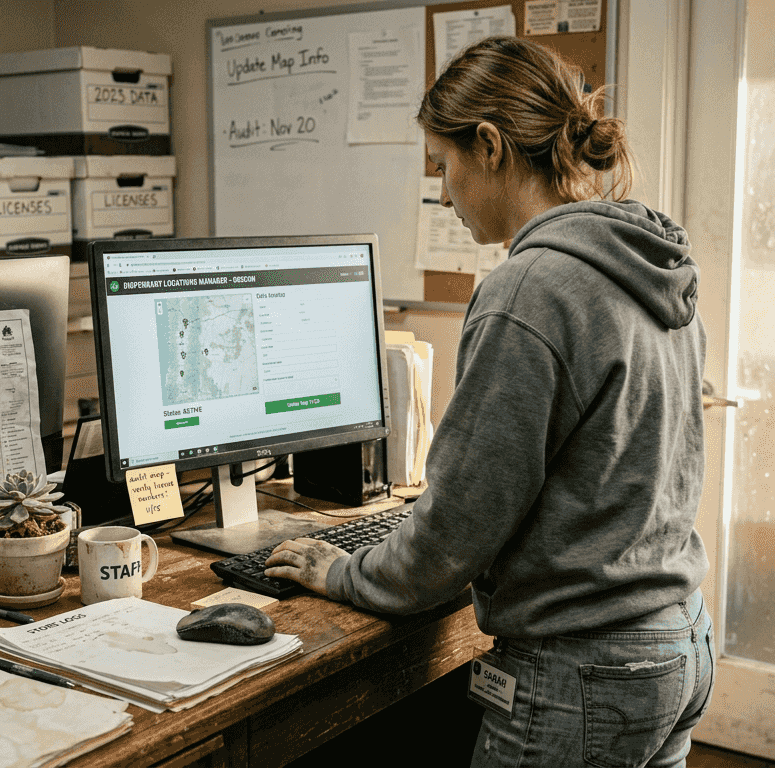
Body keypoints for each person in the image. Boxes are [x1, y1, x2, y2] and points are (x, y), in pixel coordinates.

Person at [264, 36, 713, 768]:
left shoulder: (531, 289)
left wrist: (339, 570)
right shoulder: (650, 263)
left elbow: (458, 527)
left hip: (584, 668)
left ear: (492, 147)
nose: (444, 192)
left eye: (444, 166)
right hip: (676, 640)